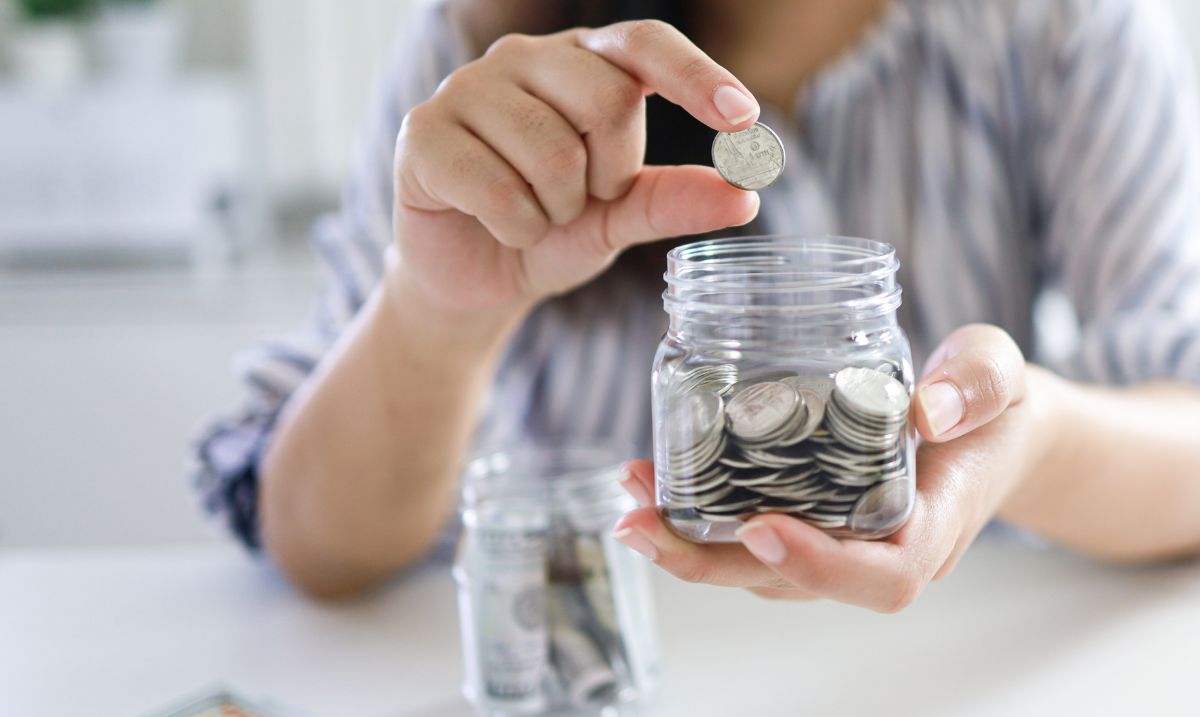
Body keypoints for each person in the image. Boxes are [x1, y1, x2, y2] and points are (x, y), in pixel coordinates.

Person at [195, 0, 1200, 608]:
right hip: (576, 658)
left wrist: (1028, 433)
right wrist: (436, 310)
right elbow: (318, 546)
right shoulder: (484, 48)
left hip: (947, 675)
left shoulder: (1057, 24)